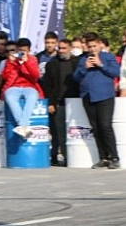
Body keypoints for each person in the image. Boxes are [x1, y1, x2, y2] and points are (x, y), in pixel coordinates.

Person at [73, 32, 121, 169]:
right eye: (89, 46)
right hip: (88, 96)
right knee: (96, 128)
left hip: (105, 96)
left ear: (100, 44)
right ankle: (103, 157)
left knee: (105, 126)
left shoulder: (108, 57)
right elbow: (76, 77)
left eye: (94, 46)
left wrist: (101, 65)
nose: (92, 49)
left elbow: (115, 73)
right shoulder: (83, 60)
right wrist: (85, 68)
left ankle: (114, 157)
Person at [43, 38, 80, 166]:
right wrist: (51, 103)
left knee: (76, 130)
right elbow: (48, 86)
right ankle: (66, 156)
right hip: (59, 102)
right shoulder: (52, 64)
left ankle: (77, 156)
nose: (61, 51)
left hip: (76, 102)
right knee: (60, 131)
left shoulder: (78, 62)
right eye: (60, 48)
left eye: (64, 48)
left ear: (70, 48)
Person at [1, 38, 43, 139]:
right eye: (20, 50)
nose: (22, 53)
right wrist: (10, 64)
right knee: (9, 96)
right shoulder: (11, 60)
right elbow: (5, 76)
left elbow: (36, 75)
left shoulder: (32, 59)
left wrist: (27, 63)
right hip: (14, 86)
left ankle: (22, 126)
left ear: (29, 50)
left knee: (33, 97)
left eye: (24, 51)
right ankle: (24, 126)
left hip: (29, 86)